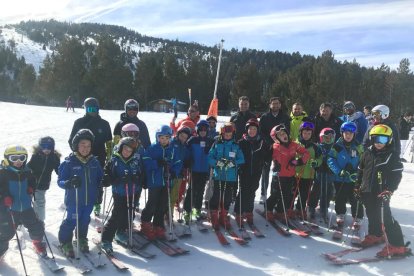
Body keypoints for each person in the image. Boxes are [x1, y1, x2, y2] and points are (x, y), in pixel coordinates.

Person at [356, 124, 411, 257]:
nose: (379, 143)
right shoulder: (367, 153)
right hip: (367, 190)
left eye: (383, 140)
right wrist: (357, 186)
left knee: (385, 217)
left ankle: (398, 245)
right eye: (376, 139)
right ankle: (376, 234)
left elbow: (396, 175)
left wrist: (389, 190)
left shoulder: (392, 156)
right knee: (371, 213)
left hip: (382, 192)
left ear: (390, 140)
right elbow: (360, 171)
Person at [58, 129, 103, 257]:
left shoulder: (94, 162)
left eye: (88, 145)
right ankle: (65, 241)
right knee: (72, 221)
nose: (85, 148)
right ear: (76, 145)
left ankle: (81, 238)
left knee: (84, 220)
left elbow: (100, 177)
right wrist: (69, 183)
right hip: (74, 200)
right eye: (82, 144)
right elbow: (60, 181)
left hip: (89, 200)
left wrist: (104, 181)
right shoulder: (69, 162)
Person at [0, 145, 47, 257]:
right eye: (14, 158)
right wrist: (4, 197)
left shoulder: (27, 171)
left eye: (22, 158)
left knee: (37, 227)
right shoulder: (2, 174)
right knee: (6, 233)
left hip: (26, 208)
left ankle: (37, 243)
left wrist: (31, 187)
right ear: (7, 159)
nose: (18, 161)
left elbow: (32, 182)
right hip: (9, 210)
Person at [68, 97, 112, 216]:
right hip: (81, 158)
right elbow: (71, 140)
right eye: (90, 108)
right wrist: (76, 153)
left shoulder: (104, 124)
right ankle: (82, 202)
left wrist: (110, 156)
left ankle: (97, 203)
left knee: (98, 181)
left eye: (95, 108)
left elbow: (109, 142)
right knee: (82, 180)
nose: (92, 111)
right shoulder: (79, 122)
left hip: (99, 157)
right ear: (85, 109)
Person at [100, 137, 143, 253]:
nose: (127, 152)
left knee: (129, 214)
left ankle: (121, 231)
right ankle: (106, 238)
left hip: (134, 191)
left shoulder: (135, 160)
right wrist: (113, 179)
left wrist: (138, 178)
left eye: (130, 150)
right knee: (117, 215)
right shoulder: (114, 160)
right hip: (120, 192)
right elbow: (107, 173)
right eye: (125, 149)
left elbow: (141, 172)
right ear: (120, 148)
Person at [141, 125, 181, 240]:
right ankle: (146, 223)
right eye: (161, 138)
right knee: (152, 204)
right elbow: (146, 161)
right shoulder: (152, 148)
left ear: (170, 138)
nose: (164, 140)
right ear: (157, 137)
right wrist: (157, 163)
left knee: (162, 205)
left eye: (167, 138)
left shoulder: (172, 149)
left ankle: (158, 225)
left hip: (167, 181)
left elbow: (178, 162)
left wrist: (174, 172)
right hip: (154, 181)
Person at [265, 125, 310, 221]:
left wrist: (299, 161)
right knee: (275, 194)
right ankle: (268, 209)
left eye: (284, 133)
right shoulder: (275, 147)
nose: (283, 135)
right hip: (278, 175)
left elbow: (306, 153)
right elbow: (266, 157)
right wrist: (273, 162)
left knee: (287, 195)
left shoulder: (294, 145)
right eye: (280, 135)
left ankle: (280, 211)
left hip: (290, 175)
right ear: (276, 138)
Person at [208, 123, 245, 230]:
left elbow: (241, 159)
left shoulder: (236, 146)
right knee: (217, 195)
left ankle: (223, 216)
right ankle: (214, 215)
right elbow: (210, 157)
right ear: (222, 134)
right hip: (218, 175)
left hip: (230, 176)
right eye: (226, 134)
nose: (227, 136)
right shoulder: (217, 144)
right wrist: (217, 163)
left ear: (232, 134)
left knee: (227, 197)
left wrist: (234, 163)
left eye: (229, 134)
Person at [327, 122, 364, 228]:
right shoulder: (337, 146)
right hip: (340, 178)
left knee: (355, 198)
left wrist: (357, 172)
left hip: (354, 178)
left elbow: (363, 161)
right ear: (342, 133)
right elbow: (330, 160)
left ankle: (358, 216)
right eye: (346, 133)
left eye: (351, 134)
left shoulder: (358, 146)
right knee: (340, 197)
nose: (348, 136)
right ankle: (340, 214)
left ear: (354, 134)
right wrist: (339, 171)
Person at [235, 118, 270, 227]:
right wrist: (239, 166)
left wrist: (266, 162)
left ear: (257, 130)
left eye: (254, 129)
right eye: (250, 129)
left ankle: (249, 212)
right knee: (243, 191)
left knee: (252, 191)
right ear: (247, 130)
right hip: (244, 171)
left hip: (256, 171)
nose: (252, 131)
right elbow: (236, 156)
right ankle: (239, 212)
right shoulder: (241, 142)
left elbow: (267, 154)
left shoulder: (261, 142)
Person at [259, 97, 290, 203]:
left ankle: (275, 194)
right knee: (265, 170)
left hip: (281, 148)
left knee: (278, 170)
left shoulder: (285, 117)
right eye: (273, 104)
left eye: (277, 104)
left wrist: (280, 143)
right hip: (268, 147)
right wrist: (270, 142)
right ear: (270, 105)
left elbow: (287, 132)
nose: (275, 106)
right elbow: (261, 132)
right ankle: (263, 193)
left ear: (280, 105)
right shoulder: (265, 117)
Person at [184, 120, 214, 222]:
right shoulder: (193, 140)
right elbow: (186, 152)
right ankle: (187, 210)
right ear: (197, 130)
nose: (202, 131)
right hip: (194, 169)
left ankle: (197, 209)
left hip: (204, 170)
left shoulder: (210, 141)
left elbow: (214, 153)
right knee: (191, 190)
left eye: (205, 130)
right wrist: (188, 161)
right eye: (200, 129)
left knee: (201, 190)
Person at [292, 122, 322, 219]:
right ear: (301, 133)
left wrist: (316, 162)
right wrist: (294, 161)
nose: (306, 135)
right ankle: (289, 208)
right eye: (305, 133)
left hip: (308, 174)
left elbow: (320, 158)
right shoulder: (295, 144)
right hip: (295, 174)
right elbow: (290, 156)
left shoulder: (315, 146)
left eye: (309, 134)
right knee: (293, 192)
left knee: (304, 194)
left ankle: (300, 209)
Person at [27, 136, 61, 221]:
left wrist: (65, 174)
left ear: (52, 147)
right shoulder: (35, 156)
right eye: (44, 147)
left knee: (40, 204)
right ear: (40, 147)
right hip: (30, 184)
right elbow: (28, 167)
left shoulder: (54, 158)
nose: (46, 149)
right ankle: (21, 221)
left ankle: (40, 222)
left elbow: (58, 170)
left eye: (49, 147)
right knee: (26, 201)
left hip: (42, 185)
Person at [307, 128, 336, 221]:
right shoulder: (318, 147)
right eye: (325, 137)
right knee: (316, 190)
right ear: (321, 138)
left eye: (330, 137)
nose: (328, 139)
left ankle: (324, 208)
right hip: (319, 172)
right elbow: (314, 157)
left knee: (328, 191)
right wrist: (315, 163)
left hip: (330, 173)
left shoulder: (334, 148)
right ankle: (311, 207)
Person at [169, 126, 191, 215]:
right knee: (167, 195)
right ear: (178, 134)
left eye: (185, 138)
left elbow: (186, 157)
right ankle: (165, 212)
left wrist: (188, 162)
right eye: (182, 136)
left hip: (179, 174)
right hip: (170, 174)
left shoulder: (185, 146)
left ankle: (169, 213)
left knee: (174, 195)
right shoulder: (172, 143)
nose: (183, 139)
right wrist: (170, 170)